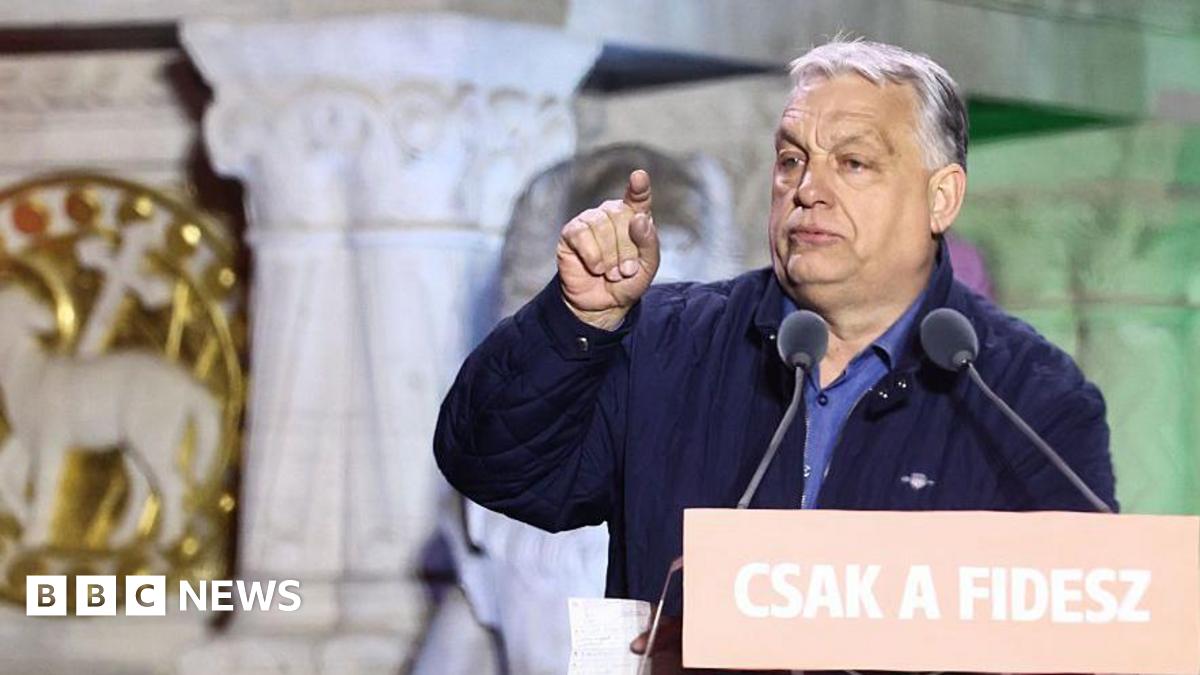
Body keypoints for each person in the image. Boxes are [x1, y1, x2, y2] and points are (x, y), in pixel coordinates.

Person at [434, 38, 1116, 672]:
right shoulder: (666, 345)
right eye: (792, 159)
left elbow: (1079, 638)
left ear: (941, 198)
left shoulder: (1028, 395)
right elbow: (496, 465)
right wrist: (575, 320)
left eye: (852, 162)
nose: (807, 189)